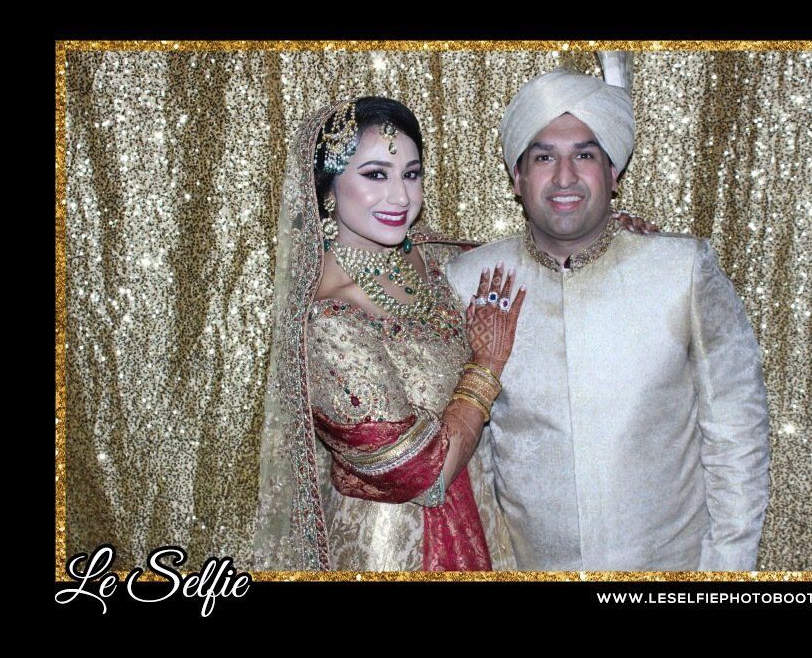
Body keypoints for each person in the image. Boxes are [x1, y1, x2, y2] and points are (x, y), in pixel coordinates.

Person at [446, 61, 771, 571]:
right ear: (517, 176)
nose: (565, 177)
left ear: (613, 172)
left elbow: (737, 436)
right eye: (544, 157)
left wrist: (727, 571)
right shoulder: (469, 281)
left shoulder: (679, 269)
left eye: (585, 155)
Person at [252, 97, 525, 571]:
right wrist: (487, 366)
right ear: (329, 189)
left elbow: (535, 254)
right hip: (397, 546)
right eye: (376, 174)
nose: (400, 198)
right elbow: (424, 474)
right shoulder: (328, 317)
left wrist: (603, 232)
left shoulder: (431, 257)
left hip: (485, 517)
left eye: (411, 174)